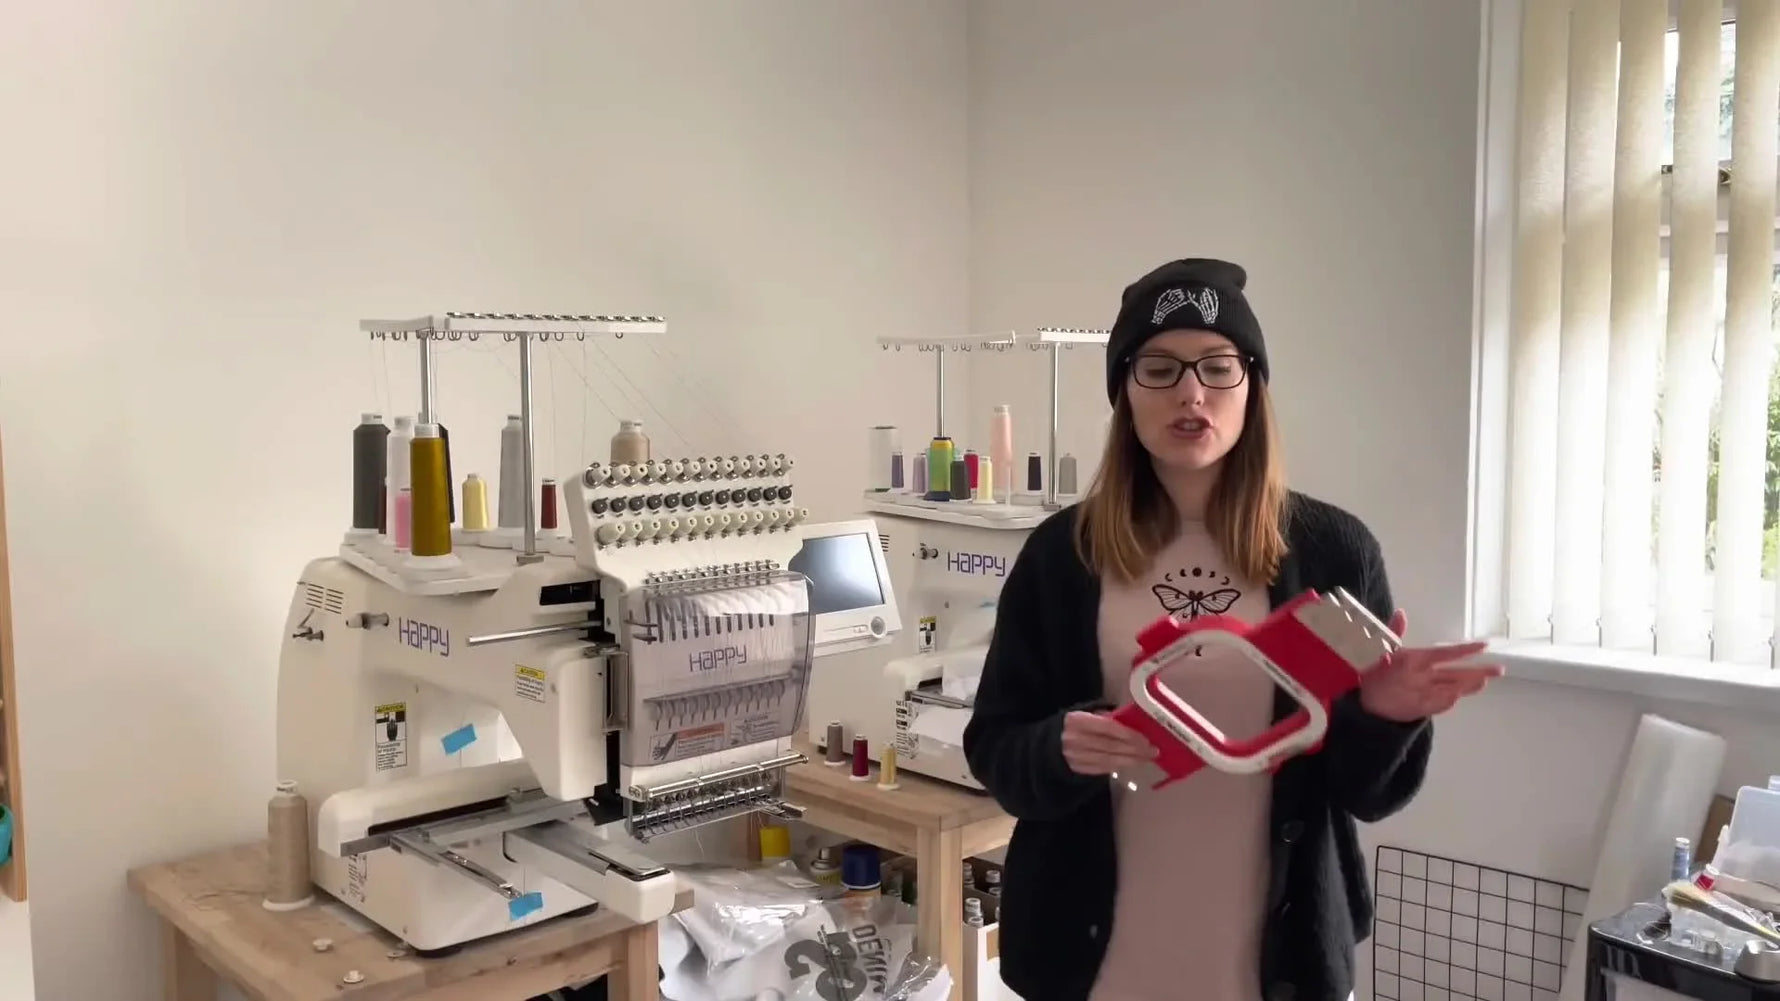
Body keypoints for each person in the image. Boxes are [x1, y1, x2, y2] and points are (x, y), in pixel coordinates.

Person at [961, 258, 1500, 1001]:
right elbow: (994, 746)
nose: (1190, 392)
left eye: (1218, 367)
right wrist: (1057, 747)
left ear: (1252, 385)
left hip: (1274, 957)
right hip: (1094, 957)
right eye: (1159, 368)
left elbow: (1366, 793)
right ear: (1124, 389)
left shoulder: (1334, 551)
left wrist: (1384, 716)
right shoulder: (1063, 555)